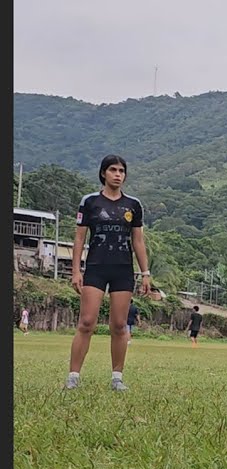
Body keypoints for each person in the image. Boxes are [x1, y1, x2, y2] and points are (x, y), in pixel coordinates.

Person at [66, 154, 151, 391]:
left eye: (121, 171)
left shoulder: (133, 205)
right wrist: (76, 270)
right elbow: (80, 238)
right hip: (95, 268)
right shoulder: (90, 202)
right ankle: (73, 376)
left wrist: (145, 273)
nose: (117, 175)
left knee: (119, 325)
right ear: (103, 173)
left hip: (123, 270)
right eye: (113, 170)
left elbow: (138, 241)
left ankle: (117, 378)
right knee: (87, 322)